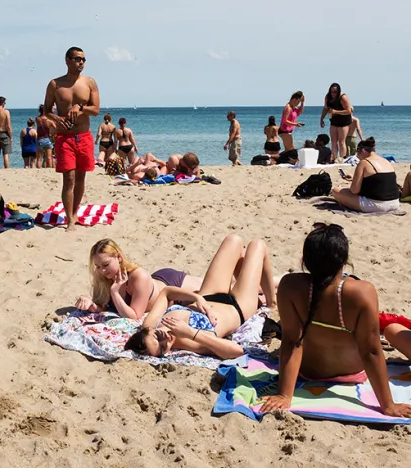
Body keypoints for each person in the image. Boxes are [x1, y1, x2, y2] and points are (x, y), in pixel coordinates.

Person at [260, 223, 411, 418]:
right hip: (352, 374)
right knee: (389, 331)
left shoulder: (290, 286)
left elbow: (291, 342)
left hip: (308, 372)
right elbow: (371, 352)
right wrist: (388, 405)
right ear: (344, 261)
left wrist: (284, 395)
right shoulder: (361, 292)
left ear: (305, 261)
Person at [124, 235, 276, 358]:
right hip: (237, 307)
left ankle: (249, 284)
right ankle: (272, 303)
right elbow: (237, 351)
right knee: (257, 245)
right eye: (164, 348)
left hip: (208, 296)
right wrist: (191, 333)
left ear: (148, 331)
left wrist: (197, 298)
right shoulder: (190, 342)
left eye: (158, 336)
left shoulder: (151, 323)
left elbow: (166, 293)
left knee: (233, 241)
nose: (166, 340)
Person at [43, 46, 100, 231]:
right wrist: (57, 119)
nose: (81, 62)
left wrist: (80, 108)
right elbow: (46, 110)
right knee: (69, 178)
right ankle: (69, 220)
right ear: (67, 60)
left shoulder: (90, 83)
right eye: (77, 59)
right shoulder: (55, 84)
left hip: (83, 136)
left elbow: (96, 110)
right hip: (65, 137)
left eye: (83, 59)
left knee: (81, 177)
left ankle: (74, 213)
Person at [75, 238, 203, 319]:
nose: (102, 270)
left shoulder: (138, 276)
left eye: (106, 265)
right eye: (97, 266)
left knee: (211, 289)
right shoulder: (102, 277)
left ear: (119, 258)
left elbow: (134, 316)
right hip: (156, 283)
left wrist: (114, 292)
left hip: (173, 286)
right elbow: (102, 306)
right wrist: (89, 302)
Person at [332, 137, 400, 214]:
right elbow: (379, 181)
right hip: (395, 203)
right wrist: (354, 178)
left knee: (336, 190)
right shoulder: (386, 161)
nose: (357, 156)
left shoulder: (364, 162)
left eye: (358, 153)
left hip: (377, 205)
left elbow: (354, 191)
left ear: (363, 151)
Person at [320, 83, 353, 160]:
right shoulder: (327, 97)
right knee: (333, 142)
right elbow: (325, 108)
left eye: (335, 92)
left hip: (344, 121)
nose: (333, 94)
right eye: (331, 92)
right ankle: (334, 158)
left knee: (341, 142)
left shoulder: (343, 97)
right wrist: (321, 118)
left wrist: (336, 112)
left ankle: (342, 159)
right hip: (334, 121)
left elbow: (349, 111)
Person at [0, 96, 12, 169]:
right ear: (3, 103)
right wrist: (10, 136)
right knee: (5, 154)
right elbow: (8, 125)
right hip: (4, 133)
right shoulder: (6, 112)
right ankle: (7, 170)